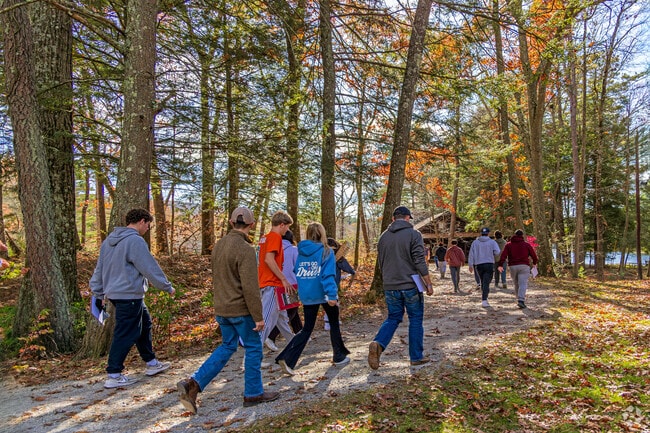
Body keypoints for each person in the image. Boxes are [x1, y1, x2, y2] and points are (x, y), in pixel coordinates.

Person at [177, 207, 279, 414]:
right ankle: (253, 393)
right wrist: (258, 317)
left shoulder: (219, 246)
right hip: (241, 309)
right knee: (253, 348)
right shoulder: (245, 249)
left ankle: (193, 384)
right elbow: (250, 287)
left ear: (232, 223)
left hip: (222, 307)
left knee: (227, 346)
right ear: (250, 226)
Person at [90, 208, 175, 389]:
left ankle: (151, 363)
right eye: (148, 225)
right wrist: (166, 286)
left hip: (117, 294)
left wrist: (97, 292)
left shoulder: (109, 242)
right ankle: (113, 373)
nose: (147, 229)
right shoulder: (134, 241)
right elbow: (149, 267)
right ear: (142, 221)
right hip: (129, 294)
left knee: (144, 325)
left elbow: (99, 269)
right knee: (126, 332)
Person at [274, 223, 351, 375]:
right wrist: (331, 295)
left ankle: (286, 357)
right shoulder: (326, 251)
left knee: (307, 328)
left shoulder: (301, 251)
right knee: (334, 323)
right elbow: (328, 274)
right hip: (323, 293)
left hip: (307, 294)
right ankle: (339, 356)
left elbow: (297, 270)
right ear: (322, 233)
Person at [368, 206, 433, 370]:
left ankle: (378, 342)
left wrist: (386, 280)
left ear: (393, 219)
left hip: (390, 285)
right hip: (410, 284)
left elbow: (381, 263)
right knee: (416, 318)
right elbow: (419, 259)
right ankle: (416, 357)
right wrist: (428, 282)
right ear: (407, 218)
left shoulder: (383, 237)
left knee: (393, 317)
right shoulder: (414, 234)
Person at [257, 211, 295, 367]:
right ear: (282, 225)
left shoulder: (263, 238)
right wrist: (284, 279)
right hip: (272, 284)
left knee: (283, 319)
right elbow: (269, 260)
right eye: (286, 228)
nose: (287, 231)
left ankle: (295, 346)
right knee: (265, 322)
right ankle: (252, 358)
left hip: (271, 285)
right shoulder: (275, 237)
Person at [266, 230, 302, 351]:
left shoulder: (274, 248)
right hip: (290, 284)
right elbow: (298, 267)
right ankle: (270, 336)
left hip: (276, 283)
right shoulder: (293, 249)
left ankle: (300, 333)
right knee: (291, 309)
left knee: (290, 310)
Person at [497, 229, 538, 309]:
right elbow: (534, 255)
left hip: (513, 266)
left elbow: (503, 255)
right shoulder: (526, 245)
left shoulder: (508, 245)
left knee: (516, 283)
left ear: (514, 235)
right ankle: (521, 300)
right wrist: (534, 263)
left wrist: (500, 264)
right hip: (524, 266)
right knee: (523, 283)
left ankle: (518, 299)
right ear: (522, 236)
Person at [323, 238, 356, 331]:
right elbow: (347, 267)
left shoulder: (322, 256)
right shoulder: (338, 259)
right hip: (332, 283)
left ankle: (330, 321)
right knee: (333, 301)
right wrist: (352, 272)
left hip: (321, 282)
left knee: (328, 302)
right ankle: (329, 322)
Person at [467, 227, 501, 308]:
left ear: (481, 233)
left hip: (479, 264)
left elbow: (471, 254)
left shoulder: (475, 243)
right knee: (486, 282)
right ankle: (484, 299)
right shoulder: (492, 242)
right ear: (488, 233)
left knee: (483, 281)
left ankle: (484, 298)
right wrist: (492, 253)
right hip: (489, 263)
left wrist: (470, 264)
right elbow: (497, 251)